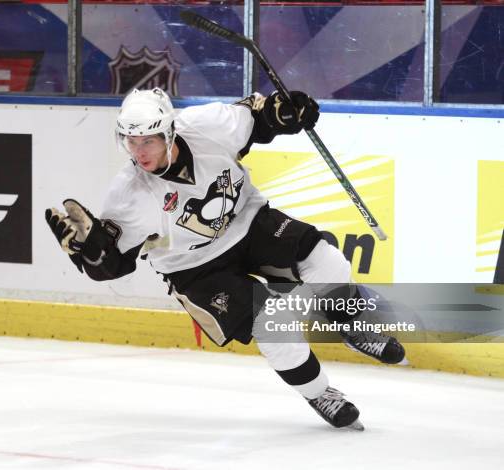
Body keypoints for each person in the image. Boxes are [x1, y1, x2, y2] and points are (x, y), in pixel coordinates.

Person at [46, 87, 405, 430]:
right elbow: (114, 264)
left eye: (149, 141)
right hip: (194, 269)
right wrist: (92, 254)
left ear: (170, 133)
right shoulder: (128, 194)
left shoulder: (207, 126)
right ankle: (320, 394)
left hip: (248, 222)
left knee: (327, 262)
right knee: (274, 324)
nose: (139, 152)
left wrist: (285, 111)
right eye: (131, 141)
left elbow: (260, 119)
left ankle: (350, 325)